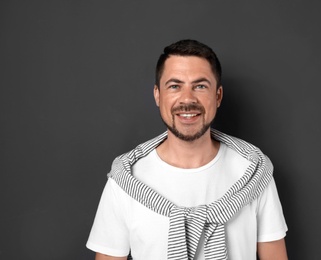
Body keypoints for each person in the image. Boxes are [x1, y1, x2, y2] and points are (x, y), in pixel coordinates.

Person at [86, 39, 288, 260]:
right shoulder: (125, 180)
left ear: (218, 96)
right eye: (174, 86)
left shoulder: (254, 174)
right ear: (157, 95)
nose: (187, 99)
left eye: (200, 86)